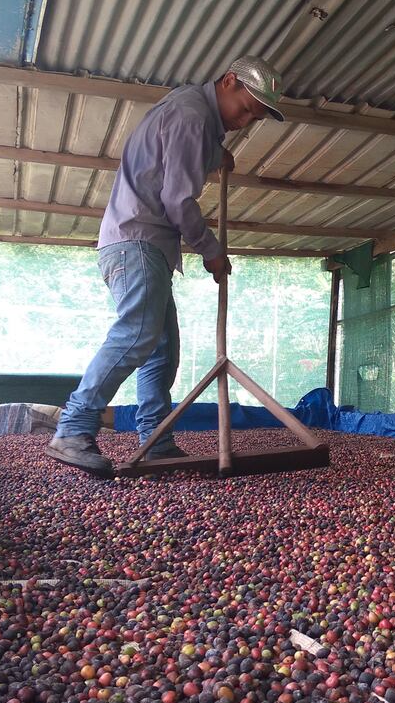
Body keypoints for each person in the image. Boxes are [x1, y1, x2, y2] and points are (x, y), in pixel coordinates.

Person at [46, 56, 285, 475]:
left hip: (139, 243)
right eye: (246, 107)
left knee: (160, 352)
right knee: (137, 333)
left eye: (256, 117)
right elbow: (177, 199)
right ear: (228, 81)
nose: (246, 121)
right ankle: (73, 427)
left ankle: (156, 440)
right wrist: (210, 249)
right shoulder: (192, 115)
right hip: (137, 240)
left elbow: (169, 155)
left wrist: (216, 154)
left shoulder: (189, 111)